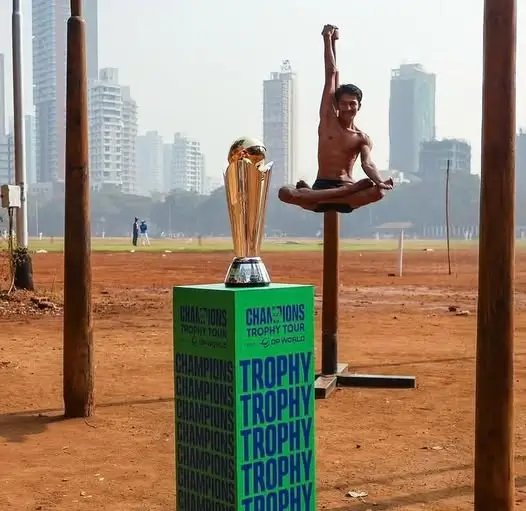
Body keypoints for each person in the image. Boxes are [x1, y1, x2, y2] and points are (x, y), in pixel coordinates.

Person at [278, 24, 393, 213]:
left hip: (343, 191)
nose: (348, 108)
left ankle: (318, 195)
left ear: (359, 106)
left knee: (379, 193)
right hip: (328, 187)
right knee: (284, 192)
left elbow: (367, 163)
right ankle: (327, 194)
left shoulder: (361, 137)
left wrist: (380, 182)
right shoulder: (328, 122)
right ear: (337, 106)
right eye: (344, 103)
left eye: (352, 104)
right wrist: (328, 39)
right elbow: (331, 74)